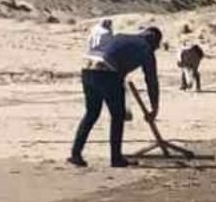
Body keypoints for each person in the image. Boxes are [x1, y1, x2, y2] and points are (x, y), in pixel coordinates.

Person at [69, 27, 163, 168]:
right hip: (108, 74)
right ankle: (116, 158)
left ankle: (75, 154)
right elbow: (151, 81)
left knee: (91, 113)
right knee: (117, 116)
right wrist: (154, 108)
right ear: (154, 41)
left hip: (88, 70)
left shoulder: (121, 36)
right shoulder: (146, 48)